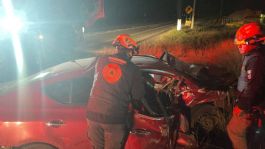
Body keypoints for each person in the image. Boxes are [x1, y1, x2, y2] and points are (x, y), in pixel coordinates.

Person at [86, 34, 157, 149]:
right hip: (113, 118)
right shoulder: (133, 69)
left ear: (117, 48)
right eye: (132, 51)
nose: (132, 55)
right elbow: (138, 96)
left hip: (92, 115)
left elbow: (95, 79)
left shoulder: (101, 60)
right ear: (128, 50)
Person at [227, 22, 265, 149]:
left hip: (252, 105)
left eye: (241, 44)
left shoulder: (256, 59)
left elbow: (253, 87)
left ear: (252, 41)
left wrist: (241, 107)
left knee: (234, 131)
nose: (239, 47)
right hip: (254, 103)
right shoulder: (253, 55)